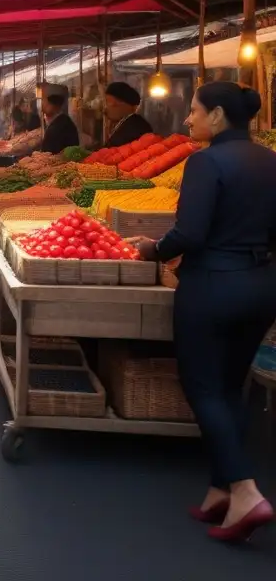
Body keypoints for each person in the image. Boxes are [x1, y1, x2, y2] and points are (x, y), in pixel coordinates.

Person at [130, 83, 276, 542]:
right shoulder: (271, 161)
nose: (187, 119)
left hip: (212, 284)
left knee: (202, 386)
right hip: (262, 285)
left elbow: (189, 234)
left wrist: (155, 249)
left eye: (193, 111)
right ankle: (220, 489)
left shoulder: (206, 162)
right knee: (232, 386)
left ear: (216, 116)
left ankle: (245, 490)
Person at [104, 81, 153, 147]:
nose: (105, 109)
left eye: (108, 101)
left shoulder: (135, 128)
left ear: (123, 103)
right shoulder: (126, 123)